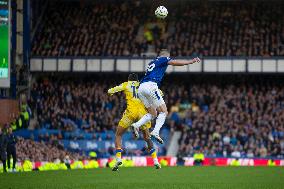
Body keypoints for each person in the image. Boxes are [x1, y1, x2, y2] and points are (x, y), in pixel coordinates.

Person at [131, 49, 201, 143]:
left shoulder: (152, 62)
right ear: (166, 55)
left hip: (141, 88)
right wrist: (190, 61)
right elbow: (175, 62)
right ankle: (155, 132)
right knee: (164, 112)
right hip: (151, 86)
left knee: (153, 114)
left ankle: (136, 125)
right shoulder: (163, 58)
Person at [107, 73, 161, 171]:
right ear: (137, 80)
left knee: (118, 135)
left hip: (130, 113)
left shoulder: (126, 84)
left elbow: (111, 90)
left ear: (129, 80)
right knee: (147, 138)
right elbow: (160, 93)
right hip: (142, 114)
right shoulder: (143, 85)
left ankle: (118, 158)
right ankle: (156, 161)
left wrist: (110, 92)